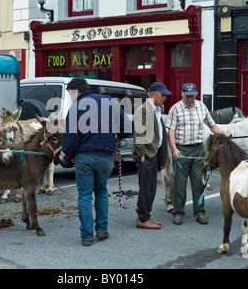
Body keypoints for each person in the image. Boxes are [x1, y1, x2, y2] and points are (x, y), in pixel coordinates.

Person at [62, 78, 131, 247]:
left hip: (84, 157)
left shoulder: (76, 107)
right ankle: (102, 229)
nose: (71, 97)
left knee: (84, 195)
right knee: (101, 191)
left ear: (76, 91)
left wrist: (70, 155)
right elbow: (127, 127)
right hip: (106, 156)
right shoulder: (110, 102)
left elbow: (71, 138)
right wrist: (118, 138)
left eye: (70, 94)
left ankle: (87, 236)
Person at [165, 83, 220, 225]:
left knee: (198, 183)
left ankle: (199, 213)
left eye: (192, 95)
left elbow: (212, 125)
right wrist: (174, 149)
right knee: (180, 184)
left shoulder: (202, 107)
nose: (190, 98)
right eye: (187, 96)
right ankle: (178, 213)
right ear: (181, 94)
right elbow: (170, 130)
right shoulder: (175, 109)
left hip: (198, 149)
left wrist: (223, 137)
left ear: (196, 94)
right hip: (181, 150)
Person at [132, 82, 171, 229]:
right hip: (146, 155)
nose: (165, 98)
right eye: (162, 95)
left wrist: (162, 159)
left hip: (153, 154)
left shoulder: (156, 109)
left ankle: (146, 216)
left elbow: (160, 135)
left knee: (151, 189)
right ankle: (142, 219)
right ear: (153, 94)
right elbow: (139, 134)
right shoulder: (143, 110)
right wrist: (142, 155)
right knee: (146, 188)